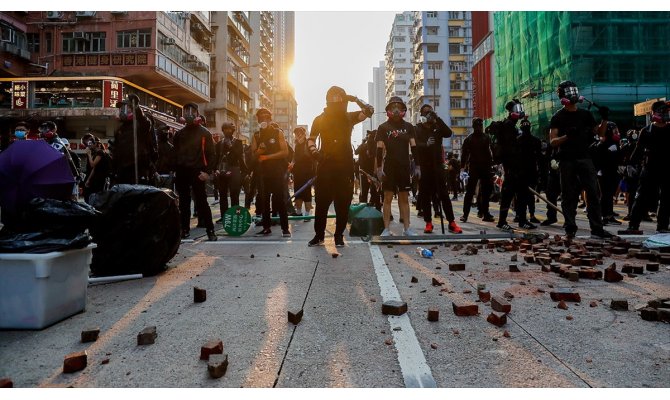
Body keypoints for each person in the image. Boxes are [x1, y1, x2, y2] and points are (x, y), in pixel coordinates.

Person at [306, 85, 373, 247]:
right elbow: (311, 139)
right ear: (328, 99)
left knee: (343, 203)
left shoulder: (349, 117)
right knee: (321, 203)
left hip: (345, 165)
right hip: (325, 165)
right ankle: (319, 235)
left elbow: (369, 110)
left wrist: (355, 98)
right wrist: (315, 153)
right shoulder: (320, 119)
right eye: (333, 97)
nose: (336, 101)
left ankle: (338, 235)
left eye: (340, 97)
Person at [549, 80, 612, 239]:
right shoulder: (558, 116)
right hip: (567, 160)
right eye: (568, 92)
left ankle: (597, 228)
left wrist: (604, 119)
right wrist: (567, 136)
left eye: (574, 91)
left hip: (585, 157)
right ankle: (570, 227)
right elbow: (552, 141)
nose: (573, 94)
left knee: (593, 193)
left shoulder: (586, 114)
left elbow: (600, 134)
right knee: (568, 195)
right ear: (562, 96)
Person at [623, 101, 670, 234]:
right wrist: (631, 165)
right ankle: (633, 225)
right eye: (664, 111)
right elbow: (638, 151)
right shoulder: (647, 131)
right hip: (650, 168)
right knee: (641, 197)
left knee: (666, 199)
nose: (666, 114)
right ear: (655, 113)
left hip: (667, 170)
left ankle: (663, 225)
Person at [172, 102, 217, 241]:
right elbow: (175, 153)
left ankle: (210, 230)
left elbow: (212, 155)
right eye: (186, 111)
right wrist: (174, 170)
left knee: (202, 202)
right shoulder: (179, 134)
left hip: (198, 172)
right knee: (184, 203)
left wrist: (207, 173)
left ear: (197, 113)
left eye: (192, 111)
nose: (189, 114)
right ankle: (184, 230)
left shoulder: (205, 133)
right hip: (182, 172)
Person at [375, 96, 419, 236]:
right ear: (388, 110)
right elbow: (379, 150)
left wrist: (417, 166)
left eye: (398, 107)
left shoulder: (409, 127)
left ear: (403, 110)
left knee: (404, 198)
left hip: (404, 167)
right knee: (387, 197)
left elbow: (414, 147)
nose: (395, 110)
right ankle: (386, 229)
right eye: (393, 107)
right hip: (389, 167)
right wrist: (379, 168)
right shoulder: (383, 128)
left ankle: (407, 228)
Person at [414, 103, 462, 234]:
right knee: (425, 195)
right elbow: (415, 145)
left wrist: (437, 119)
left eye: (430, 112)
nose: (428, 114)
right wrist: (426, 144)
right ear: (422, 115)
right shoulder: (417, 128)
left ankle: (452, 223)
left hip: (438, 166)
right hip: (424, 167)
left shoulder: (437, 126)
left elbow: (448, 133)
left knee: (444, 195)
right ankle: (428, 223)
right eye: (426, 112)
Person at [493, 99, 537, 231]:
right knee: (508, 194)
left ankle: (522, 220)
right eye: (517, 109)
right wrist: (523, 135)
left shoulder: (514, 125)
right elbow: (510, 146)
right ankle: (502, 221)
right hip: (511, 167)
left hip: (519, 166)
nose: (520, 111)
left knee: (522, 194)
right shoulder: (508, 125)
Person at [250, 108, 290, 237]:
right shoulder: (256, 135)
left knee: (280, 199)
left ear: (270, 119)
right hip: (263, 172)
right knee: (264, 200)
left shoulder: (278, 132)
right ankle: (266, 227)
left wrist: (268, 157)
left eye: (266, 117)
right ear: (258, 120)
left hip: (277, 171)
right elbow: (253, 155)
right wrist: (260, 151)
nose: (263, 120)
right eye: (261, 118)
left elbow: (285, 152)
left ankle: (285, 228)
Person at [111, 94, 157, 185]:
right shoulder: (120, 129)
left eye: (127, 107)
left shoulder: (139, 124)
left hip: (138, 168)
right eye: (121, 108)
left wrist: (137, 107)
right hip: (122, 169)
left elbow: (145, 122)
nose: (123, 111)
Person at [460, 117, 495, 223]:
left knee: (478, 192)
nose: (479, 127)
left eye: (480, 125)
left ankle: (481, 213)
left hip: (480, 167)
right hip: (479, 167)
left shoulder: (473, 138)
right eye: (478, 125)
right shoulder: (481, 138)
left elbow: (464, 155)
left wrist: (463, 167)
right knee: (475, 192)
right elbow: (465, 154)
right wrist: (462, 167)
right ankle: (471, 214)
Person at [39, 120, 82, 200]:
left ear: (54, 130)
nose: (43, 133)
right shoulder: (47, 142)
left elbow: (55, 162)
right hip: (58, 178)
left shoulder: (57, 143)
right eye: (42, 130)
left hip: (60, 178)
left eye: (46, 130)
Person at [592, 122, 622, 225]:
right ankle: (605, 216)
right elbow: (600, 159)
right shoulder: (604, 144)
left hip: (611, 172)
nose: (617, 133)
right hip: (605, 173)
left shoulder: (612, 143)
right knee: (606, 195)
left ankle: (608, 215)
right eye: (614, 131)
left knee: (608, 195)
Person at [214, 121, 245, 219]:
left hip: (234, 169)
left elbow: (239, 156)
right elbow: (216, 157)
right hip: (222, 170)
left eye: (229, 129)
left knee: (234, 194)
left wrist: (231, 146)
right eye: (225, 129)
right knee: (222, 195)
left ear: (233, 130)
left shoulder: (239, 142)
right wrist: (215, 169)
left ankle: (235, 215)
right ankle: (224, 216)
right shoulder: (219, 144)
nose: (227, 131)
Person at [517, 118, 542, 223]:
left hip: (524, 171)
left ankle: (524, 215)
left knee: (522, 195)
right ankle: (527, 215)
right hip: (527, 171)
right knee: (527, 195)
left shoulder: (518, 140)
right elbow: (539, 158)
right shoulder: (535, 140)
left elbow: (539, 157)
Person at [291, 126, 316, 218]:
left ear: (303, 134)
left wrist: (314, 173)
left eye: (299, 133)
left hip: (307, 172)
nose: (298, 135)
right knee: (298, 192)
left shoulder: (308, 143)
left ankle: (307, 213)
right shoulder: (297, 145)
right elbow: (295, 157)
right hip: (297, 172)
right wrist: (292, 163)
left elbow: (313, 157)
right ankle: (298, 212)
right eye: (296, 134)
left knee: (306, 193)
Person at [355, 129, 382, 210]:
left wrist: (363, 143)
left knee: (364, 193)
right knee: (375, 193)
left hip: (364, 172)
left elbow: (356, 152)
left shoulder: (363, 146)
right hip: (374, 173)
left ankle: (362, 211)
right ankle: (377, 211)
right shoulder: (377, 147)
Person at [83, 139, 111, 203]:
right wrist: (88, 179)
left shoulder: (100, 152)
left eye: (90, 144)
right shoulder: (97, 153)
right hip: (96, 178)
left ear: (95, 144)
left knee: (97, 194)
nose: (89, 145)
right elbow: (94, 169)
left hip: (100, 178)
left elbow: (92, 165)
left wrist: (89, 154)